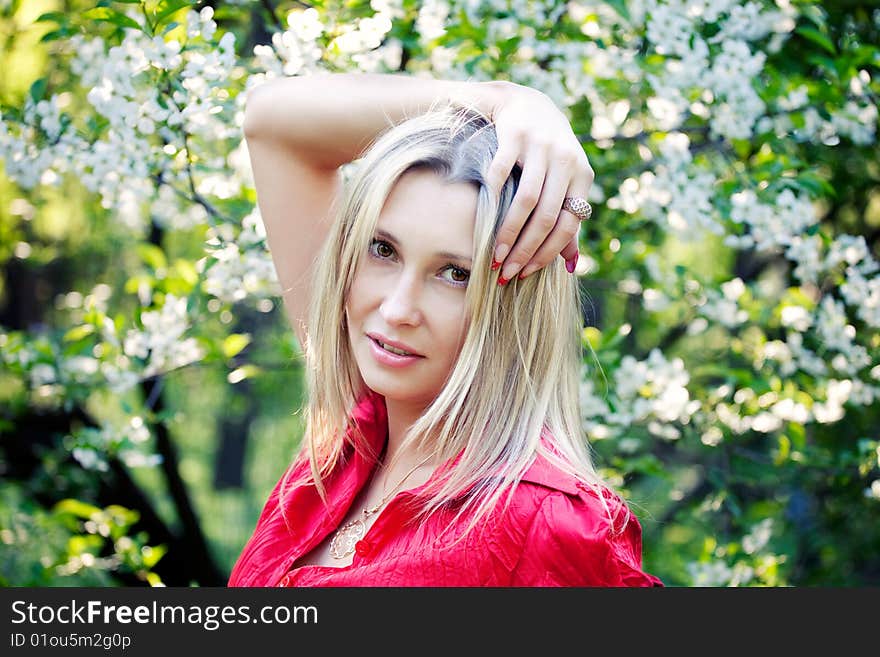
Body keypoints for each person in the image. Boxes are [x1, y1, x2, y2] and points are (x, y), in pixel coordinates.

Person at [227, 71, 663, 587]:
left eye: (455, 274)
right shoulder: (350, 439)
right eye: (382, 249)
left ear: (511, 306)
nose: (396, 309)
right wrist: (500, 99)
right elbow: (270, 122)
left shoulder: (549, 524)